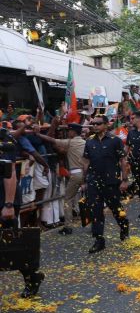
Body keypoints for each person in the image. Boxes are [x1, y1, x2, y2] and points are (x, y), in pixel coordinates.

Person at [0, 127, 44, 297]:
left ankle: (32, 277)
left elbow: (10, 175)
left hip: (4, 200)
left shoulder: (5, 143)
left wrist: (9, 205)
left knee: (12, 244)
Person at [81, 115, 129, 253]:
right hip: (94, 182)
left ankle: (124, 226)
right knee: (96, 210)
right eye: (93, 124)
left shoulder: (115, 141)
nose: (95, 126)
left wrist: (124, 180)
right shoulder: (89, 142)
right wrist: (84, 181)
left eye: (98, 124)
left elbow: (123, 161)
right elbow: (86, 162)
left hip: (111, 182)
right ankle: (99, 240)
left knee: (116, 208)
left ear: (106, 125)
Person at [34, 120, 86, 235]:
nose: (67, 133)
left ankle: (68, 226)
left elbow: (52, 140)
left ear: (73, 132)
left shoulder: (71, 142)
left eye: (69, 131)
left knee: (67, 199)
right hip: (84, 173)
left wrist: (37, 134)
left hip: (76, 174)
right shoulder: (83, 142)